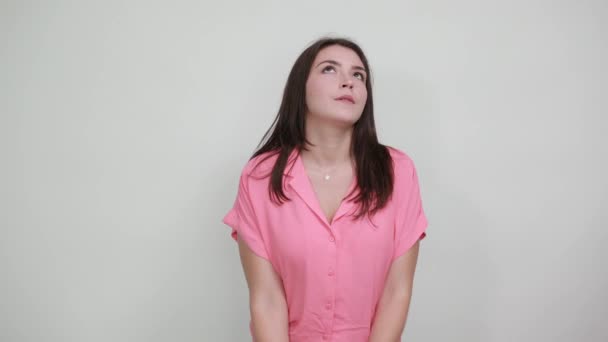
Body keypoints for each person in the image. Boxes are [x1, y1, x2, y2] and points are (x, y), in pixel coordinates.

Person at [222, 36, 428, 342]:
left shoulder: (398, 171)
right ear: (299, 88)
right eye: (330, 69)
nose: (349, 82)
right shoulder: (260, 177)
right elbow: (266, 299)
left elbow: (397, 291)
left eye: (359, 75)